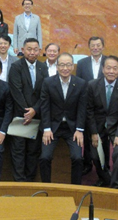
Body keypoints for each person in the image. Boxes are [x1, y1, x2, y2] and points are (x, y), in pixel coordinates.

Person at [39, 53, 87, 184]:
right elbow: (45, 108)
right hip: (53, 127)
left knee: (77, 158)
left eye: (68, 65)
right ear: (57, 67)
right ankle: (46, 187)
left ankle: (76, 188)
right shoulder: (48, 82)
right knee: (44, 157)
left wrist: (79, 129)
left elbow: (82, 109)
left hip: (72, 128)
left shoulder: (81, 84)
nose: (65, 68)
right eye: (61, 65)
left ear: (72, 66)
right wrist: (47, 129)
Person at [86, 55, 118, 189]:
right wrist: (94, 133)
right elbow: (89, 111)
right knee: (95, 155)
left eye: (114, 68)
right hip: (98, 127)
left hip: (117, 127)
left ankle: (116, 184)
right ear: (102, 69)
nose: (111, 71)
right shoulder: (93, 85)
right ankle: (105, 177)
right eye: (108, 68)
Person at [8, 38, 49, 181]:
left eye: (35, 49)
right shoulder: (16, 66)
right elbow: (16, 91)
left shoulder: (43, 67)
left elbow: (45, 92)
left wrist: (35, 110)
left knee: (33, 150)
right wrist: (27, 111)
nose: (32, 52)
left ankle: (30, 180)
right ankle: (19, 181)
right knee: (18, 150)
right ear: (23, 50)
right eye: (29, 49)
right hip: (20, 117)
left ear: (39, 51)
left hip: (36, 117)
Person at [76, 36, 107, 175]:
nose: (95, 48)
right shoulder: (82, 63)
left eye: (98, 45)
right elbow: (79, 83)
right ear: (89, 47)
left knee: (103, 136)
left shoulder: (108, 62)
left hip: (103, 104)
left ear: (102, 46)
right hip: (87, 102)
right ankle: (87, 163)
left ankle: (104, 165)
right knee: (88, 133)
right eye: (93, 45)